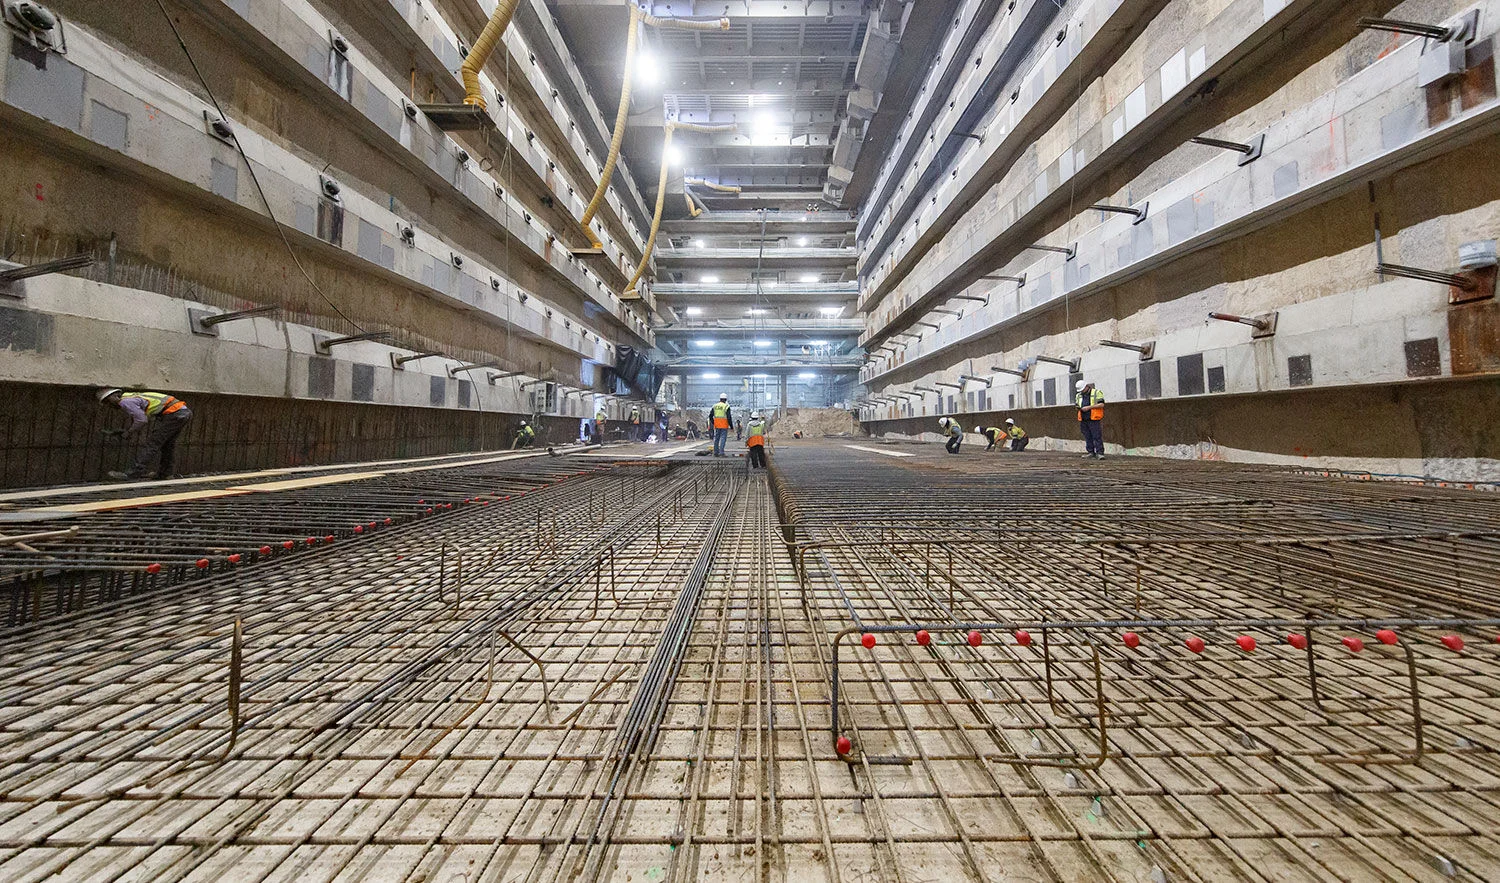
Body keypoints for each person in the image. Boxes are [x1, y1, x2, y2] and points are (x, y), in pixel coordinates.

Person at [98, 388, 193, 480]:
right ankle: (165, 473)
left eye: (107, 402)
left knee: (152, 444)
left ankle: (132, 473)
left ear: (114, 396)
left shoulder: (125, 401)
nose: (109, 405)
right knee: (168, 445)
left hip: (174, 414)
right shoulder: (131, 397)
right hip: (181, 412)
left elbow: (141, 420)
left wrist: (128, 432)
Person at [1075, 379, 1105, 459]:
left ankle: (1100, 453)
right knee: (1087, 436)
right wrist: (1079, 408)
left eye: (1082, 389)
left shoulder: (1096, 393)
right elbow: (1077, 404)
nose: (1081, 391)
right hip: (1083, 418)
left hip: (1094, 418)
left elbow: (1101, 404)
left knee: (1096, 436)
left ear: (1087, 386)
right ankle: (1090, 452)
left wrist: (1089, 407)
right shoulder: (1079, 395)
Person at [710, 393, 733, 457]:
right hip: (724, 425)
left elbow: (710, 416)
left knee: (716, 438)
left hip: (717, 425)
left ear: (720, 399)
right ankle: (721, 452)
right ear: (726, 399)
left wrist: (714, 422)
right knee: (723, 438)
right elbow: (729, 417)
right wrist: (731, 426)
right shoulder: (726, 406)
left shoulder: (715, 406)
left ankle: (715, 452)